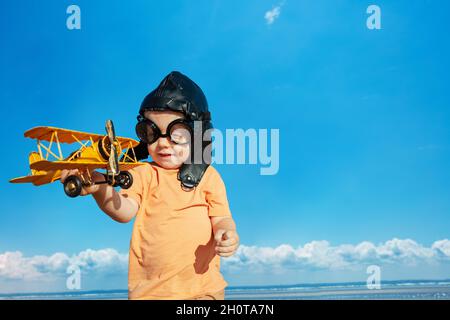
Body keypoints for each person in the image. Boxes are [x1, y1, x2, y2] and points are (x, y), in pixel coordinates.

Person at [60, 71, 239, 300]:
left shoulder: (208, 177)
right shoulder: (142, 173)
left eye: (177, 133)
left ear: (197, 135)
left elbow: (221, 217)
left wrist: (227, 232)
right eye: (152, 132)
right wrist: (100, 187)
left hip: (204, 290)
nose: (163, 143)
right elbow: (124, 211)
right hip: (152, 294)